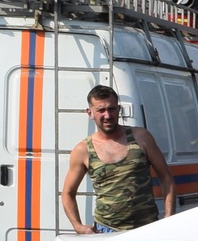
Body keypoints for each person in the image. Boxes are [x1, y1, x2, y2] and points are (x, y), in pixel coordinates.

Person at [64, 83, 175, 229]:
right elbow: (68, 193)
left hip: (146, 228)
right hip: (107, 230)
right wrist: (78, 226)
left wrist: (169, 217)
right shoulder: (83, 150)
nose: (107, 115)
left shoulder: (141, 137)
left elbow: (166, 178)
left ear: (119, 110)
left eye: (112, 109)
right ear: (90, 113)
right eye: (101, 110)